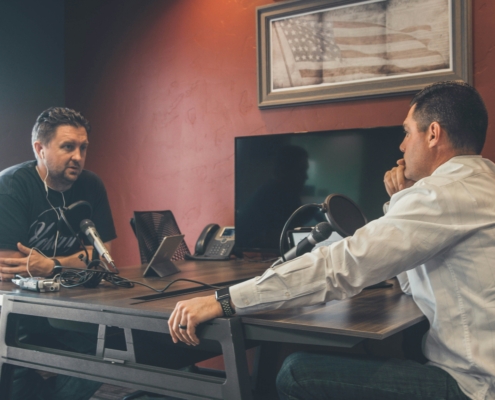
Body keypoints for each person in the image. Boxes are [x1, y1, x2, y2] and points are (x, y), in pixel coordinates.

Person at [168, 81, 494, 400]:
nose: (402, 146)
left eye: (407, 132)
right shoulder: (481, 183)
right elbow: (409, 285)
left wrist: (221, 300)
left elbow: (338, 266)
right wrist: (402, 199)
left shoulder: (439, 196)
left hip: (472, 386)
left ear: (433, 133)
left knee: (297, 372)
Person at [0, 107, 117, 400]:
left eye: (83, 147)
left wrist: (51, 265)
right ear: (40, 149)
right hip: (14, 308)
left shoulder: (91, 185)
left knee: (110, 345)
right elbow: (8, 267)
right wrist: (75, 262)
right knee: (17, 374)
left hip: (67, 304)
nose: (78, 156)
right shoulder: (12, 185)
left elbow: (102, 257)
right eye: (68, 147)